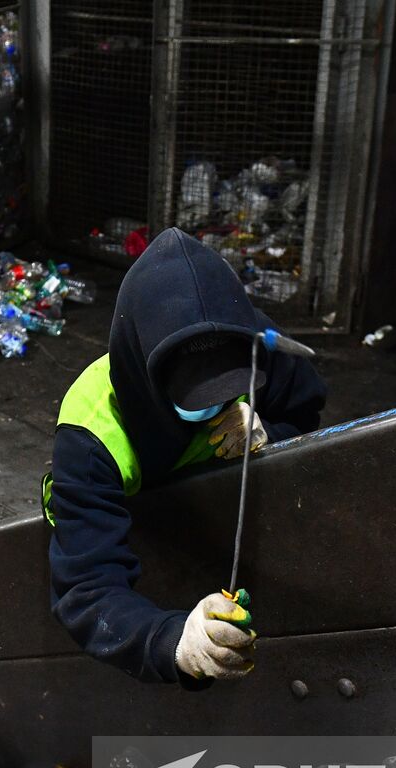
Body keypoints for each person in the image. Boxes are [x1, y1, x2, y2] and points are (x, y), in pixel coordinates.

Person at [43, 228, 327, 685]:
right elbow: (86, 589)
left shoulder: (255, 347)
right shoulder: (90, 431)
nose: (212, 404)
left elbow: (307, 412)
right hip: (142, 521)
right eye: (194, 391)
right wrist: (175, 642)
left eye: (224, 387)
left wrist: (271, 430)